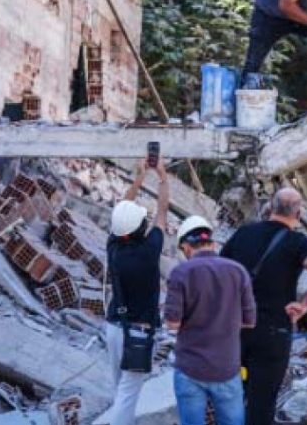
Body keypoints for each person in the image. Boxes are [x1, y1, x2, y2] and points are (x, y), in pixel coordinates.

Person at [221, 188, 307, 425]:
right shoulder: (297, 243)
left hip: (236, 332)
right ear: (299, 213)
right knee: (261, 403)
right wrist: (305, 304)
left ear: (270, 208)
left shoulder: (243, 234)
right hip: (271, 336)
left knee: (232, 395)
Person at [165, 216, 256, 425]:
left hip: (190, 368)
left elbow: (172, 324)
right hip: (227, 368)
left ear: (186, 247)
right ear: (212, 244)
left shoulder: (181, 273)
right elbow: (249, 321)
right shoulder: (238, 271)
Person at [103, 158, 169, 425]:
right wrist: (162, 178)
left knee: (120, 390)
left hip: (114, 327)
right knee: (128, 394)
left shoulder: (113, 247)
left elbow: (121, 211)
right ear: (141, 227)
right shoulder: (149, 251)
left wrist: (139, 179)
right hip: (139, 333)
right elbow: (162, 213)